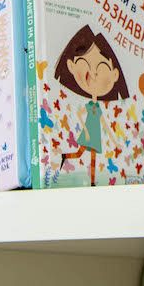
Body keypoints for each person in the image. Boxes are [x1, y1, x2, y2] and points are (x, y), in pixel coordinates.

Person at [54, 25, 129, 186]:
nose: (94, 74)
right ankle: (69, 160)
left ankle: (91, 179)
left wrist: (114, 140)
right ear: (71, 66)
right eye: (84, 64)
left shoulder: (97, 107)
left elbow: (104, 124)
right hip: (89, 134)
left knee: (89, 156)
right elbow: (80, 115)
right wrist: (85, 129)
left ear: (115, 74)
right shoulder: (89, 105)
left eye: (101, 68)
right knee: (81, 154)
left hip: (95, 135)